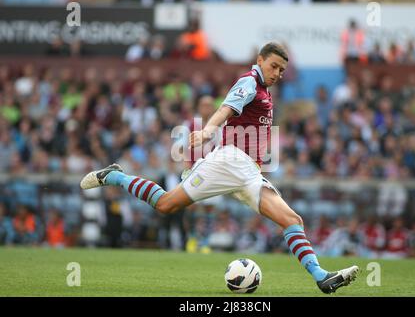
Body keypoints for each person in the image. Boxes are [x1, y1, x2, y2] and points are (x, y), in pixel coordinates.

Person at [80, 42, 359, 294]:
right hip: (228, 162)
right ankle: (115, 175)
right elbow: (225, 108)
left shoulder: (264, 91)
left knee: (292, 220)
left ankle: (322, 277)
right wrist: (207, 131)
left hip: (248, 171)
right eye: (273, 66)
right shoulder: (249, 82)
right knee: (166, 205)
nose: (277, 73)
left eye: (282, 70)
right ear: (260, 60)